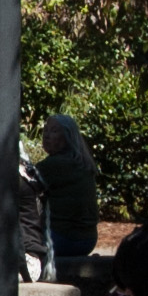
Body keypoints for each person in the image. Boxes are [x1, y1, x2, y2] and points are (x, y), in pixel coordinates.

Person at [35, 112, 100, 273]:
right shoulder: (83, 163)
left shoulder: (53, 165)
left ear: (67, 137)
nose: (46, 135)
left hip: (62, 240)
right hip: (88, 240)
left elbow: (20, 187)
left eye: (54, 131)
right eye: (46, 130)